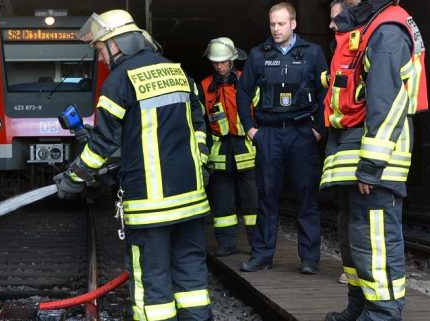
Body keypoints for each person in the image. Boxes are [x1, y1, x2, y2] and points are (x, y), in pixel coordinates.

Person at [55, 9, 213, 321]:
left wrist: (74, 177)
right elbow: (200, 128)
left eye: (101, 49)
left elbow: (99, 145)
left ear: (118, 43)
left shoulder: (118, 81)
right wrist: (201, 167)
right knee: (191, 277)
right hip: (191, 200)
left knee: (152, 286)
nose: (101, 57)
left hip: (150, 206)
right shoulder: (179, 73)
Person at [320, 0, 427, 320]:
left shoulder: (387, 30)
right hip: (354, 154)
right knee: (354, 239)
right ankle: (360, 305)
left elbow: (388, 99)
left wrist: (371, 165)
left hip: (375, 160)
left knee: (375, 241)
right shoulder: (369, 25)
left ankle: (383, 312)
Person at [236, 2, 327, 274]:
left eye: (281, 24)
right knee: (267, 197)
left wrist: (319, 129)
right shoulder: (257, 55)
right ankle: (262, 255)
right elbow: (242, 92)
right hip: (269, 134)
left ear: (293, 24)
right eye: (272, 24)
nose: (276, 29)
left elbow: (326, 92)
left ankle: (310, 259)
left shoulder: (313, 53)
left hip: (302, 132)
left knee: (306, 197)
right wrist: (252, 129)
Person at [197, 37, 259, 257]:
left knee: (252, 201)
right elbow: (201, 121)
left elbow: (259, 112)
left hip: (246, 148)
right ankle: (226, 244)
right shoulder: (205, 86)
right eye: (215, 62)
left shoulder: (246, 81)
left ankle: (257, 244)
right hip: (220, 151)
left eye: (222, 61)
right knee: (222, 203)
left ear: (232, 60)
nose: (219, 66)